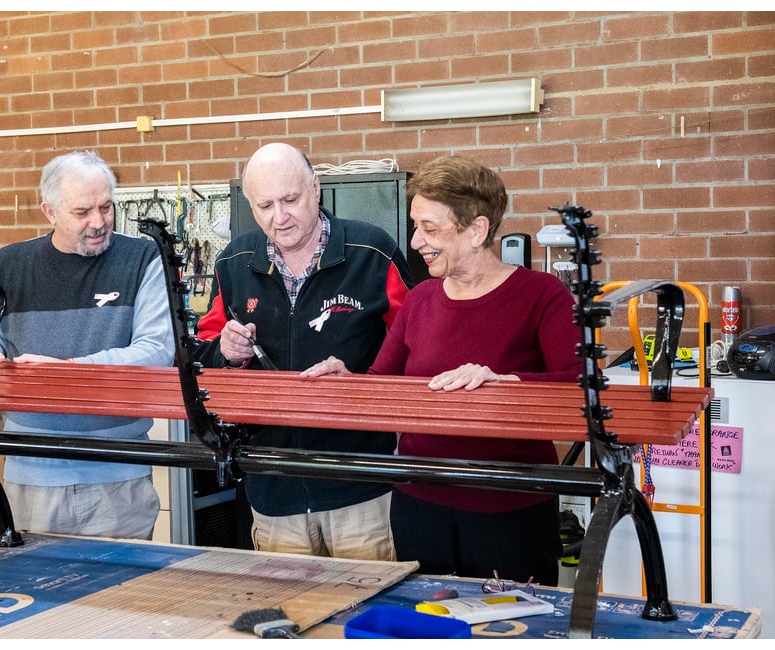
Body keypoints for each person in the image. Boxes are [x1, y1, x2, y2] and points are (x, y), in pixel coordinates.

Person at [303, 155, 582, 586]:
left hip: (510, 507)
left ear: (478, 230)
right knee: (425, 615)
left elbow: (578, 386)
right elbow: (383, 385)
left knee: (513, 620)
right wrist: (347, 381)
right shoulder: (420, 299)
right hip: (420, 501)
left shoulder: (542, 294)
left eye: (430, 229)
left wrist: (503, 381)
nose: (416, 241)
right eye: (416, 227)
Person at [193, 142, 416, 561]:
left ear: (315, 188)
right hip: (273, 489)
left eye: (290, 200)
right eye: (265, 206)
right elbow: (203, 354)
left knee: (368, 597)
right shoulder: (234, 263)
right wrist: (226, 351)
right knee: (287, 600)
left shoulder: (372, 252)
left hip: (360, 486)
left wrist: (360, 384)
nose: (279, 217)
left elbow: (418, 348)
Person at [0, 150, 174, 539]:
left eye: (106, 207)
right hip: (32, 475)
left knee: (123, 580)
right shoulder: (8, 266)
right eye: (82, 212)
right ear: (50, 212)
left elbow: (157, 351)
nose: (99, 222)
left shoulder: (142, 258)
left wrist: (67, 371)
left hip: (118, 475)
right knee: (36, 578)